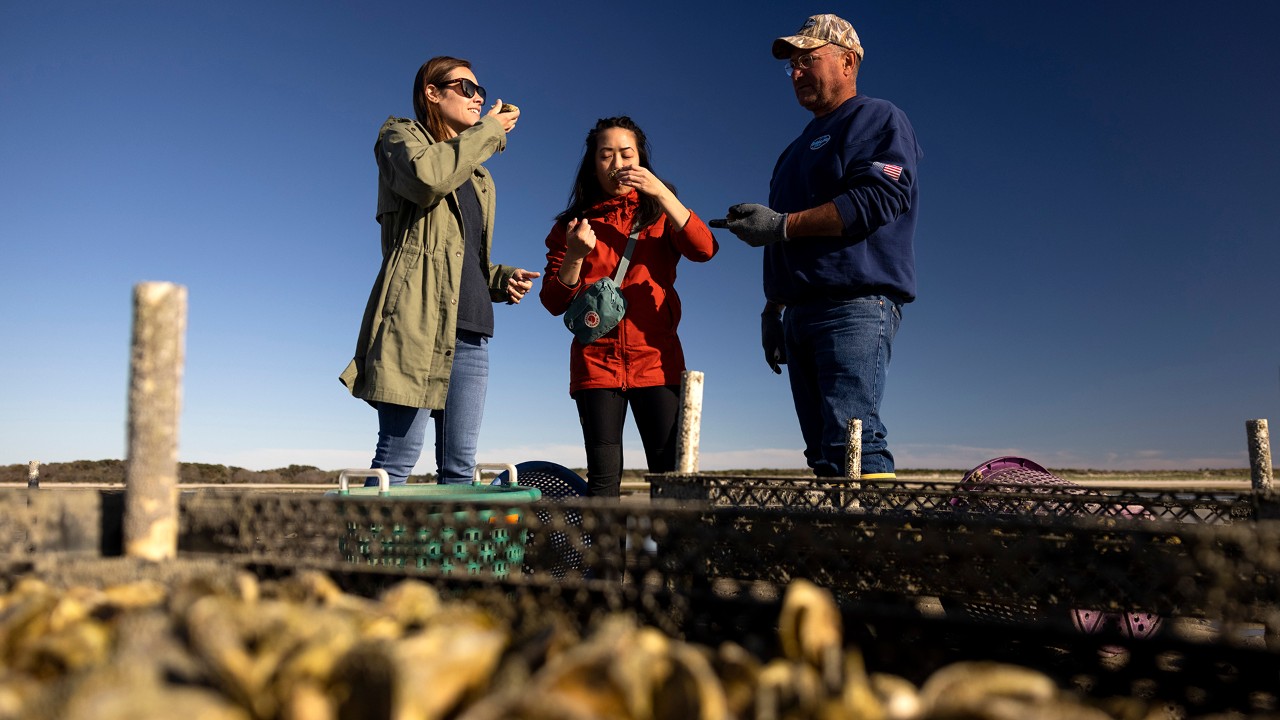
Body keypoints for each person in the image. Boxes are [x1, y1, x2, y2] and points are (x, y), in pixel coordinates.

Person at [720, 14, 922, 479]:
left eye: (807, 59)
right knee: (822, 453)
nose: (795, 73)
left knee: (855, 441)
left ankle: (881, 548)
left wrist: (781, 225)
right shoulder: (791, 153)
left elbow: (880, 197)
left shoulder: (878, 117)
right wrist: (772, 312)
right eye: (791, 65)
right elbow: (784, 235)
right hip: (798, 314)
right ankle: (839, 547)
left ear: (847, 61)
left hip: (853, 306)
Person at [340, 56, 540, 485]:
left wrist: (501, 279)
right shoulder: (399, 136)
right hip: (416, 325)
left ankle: (448, 555)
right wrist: (490, 131)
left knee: (460, 471)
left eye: (480, 90)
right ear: (432, 92)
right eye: (467, 88)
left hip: (471, 332)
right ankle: (373, 554)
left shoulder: (480, 178)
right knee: (395, 463)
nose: (479, 97)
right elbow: (427, 178)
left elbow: (467, 260)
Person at [539, 117, 718, 497]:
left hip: (657, 362)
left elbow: (705, 249)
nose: (617, 163)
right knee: (603, 485)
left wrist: (663, 194)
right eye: (606, 155)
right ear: (593, 164)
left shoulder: (661, 215)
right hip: (595, 368)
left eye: (627, 154)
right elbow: (553, 302)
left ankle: (668, 558)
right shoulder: (572, 226)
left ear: (641, 160)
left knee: (669, 483)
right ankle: (605, 560)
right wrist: (574, 254)